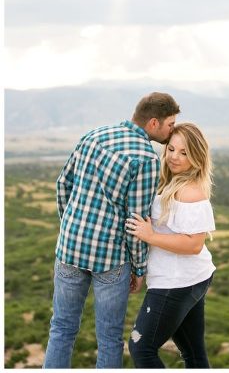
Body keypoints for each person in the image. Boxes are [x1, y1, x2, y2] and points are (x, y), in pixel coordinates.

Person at [44, 92, 180, 369]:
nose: (172, 130)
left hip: (69, 249)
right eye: (170, 124)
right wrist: (139, 269)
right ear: (154, 123)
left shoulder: (93, 136)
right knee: (109, 338)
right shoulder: (145, 158)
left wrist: (70, 227)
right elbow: (136, 221)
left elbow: (62, 185)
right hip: (111, 261)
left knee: (61, 329)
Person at [125, 122, 216, 368]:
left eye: (184, 152)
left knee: (141, 348)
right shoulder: (170, 182)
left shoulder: (190, 192)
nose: (174, 157)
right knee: (193, 353)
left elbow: (194, 244)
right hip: (189, 278)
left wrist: (149, 235)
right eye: (171, 149)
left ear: (197, 156)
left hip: (177, 282)